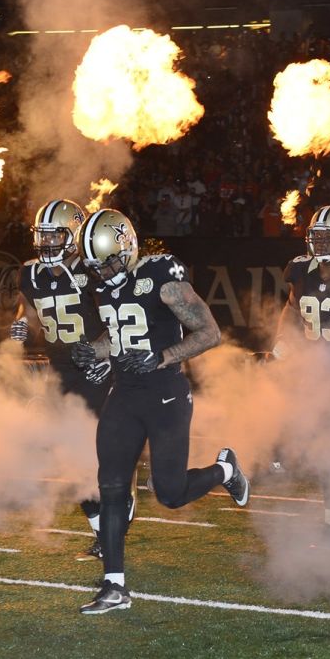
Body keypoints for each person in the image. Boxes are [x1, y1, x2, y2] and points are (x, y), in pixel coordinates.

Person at [74, 208, 249, 615]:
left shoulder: (162, 279)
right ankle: (114, 586)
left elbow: (210, 333)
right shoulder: (103, 286)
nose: (106, 272)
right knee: (112, 488)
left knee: (168, 494)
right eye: (97, 267)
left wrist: (162, 356)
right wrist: (93, 350)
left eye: (111, 262)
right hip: (124, 394)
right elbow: (120, 331)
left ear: (128, 248)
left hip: (165, 394)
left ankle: (225, 471)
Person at [9, 199, 114, 561]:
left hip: (95, 369)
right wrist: (23, 319)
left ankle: (114, 518)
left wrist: (107, 355)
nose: (47, 243)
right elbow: (29, 303)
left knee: (91, 451)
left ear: (73, 236)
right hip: (59, 371)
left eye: (55, 235)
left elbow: (118, 316)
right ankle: (104, 526)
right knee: (66, 456)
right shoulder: (30, 273)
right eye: (44, 236)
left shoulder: (93, 270)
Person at [272, 205, 330, 542]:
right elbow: (291, 306)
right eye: (317, 236)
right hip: (314, 367)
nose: (322, 244)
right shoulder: (300, 270)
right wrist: (284, 338)